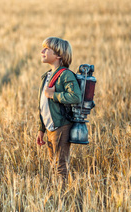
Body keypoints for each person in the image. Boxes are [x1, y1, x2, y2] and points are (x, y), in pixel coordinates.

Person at [36, 37, 82, 186]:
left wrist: (53, 95)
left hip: (61, 125)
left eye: (46, 49)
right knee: (53, 164)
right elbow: (42, 106)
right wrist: (41, 129)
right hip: (50, 126)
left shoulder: (65, 75)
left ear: (59, 55)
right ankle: (57, 194)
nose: (42, 51)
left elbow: (76, 96)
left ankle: (62, 197)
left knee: (60, 165)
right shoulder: (48, 75)